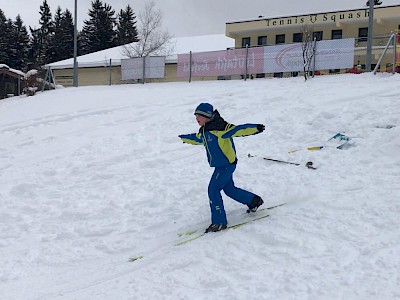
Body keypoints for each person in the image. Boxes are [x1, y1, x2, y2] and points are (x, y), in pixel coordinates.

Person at [178, 103, 266, 233]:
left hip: (226, 165)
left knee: (213, 189)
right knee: (229, 189)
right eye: (195, 116)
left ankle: (219, 222)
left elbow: (238, 130)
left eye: (199, 116)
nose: (196, 118)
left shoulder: (221, 128)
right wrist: (184, 138)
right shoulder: (204, 130)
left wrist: (255, 128)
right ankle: (254, 201)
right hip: (221, 165)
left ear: (207, 116)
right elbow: (198, 139)